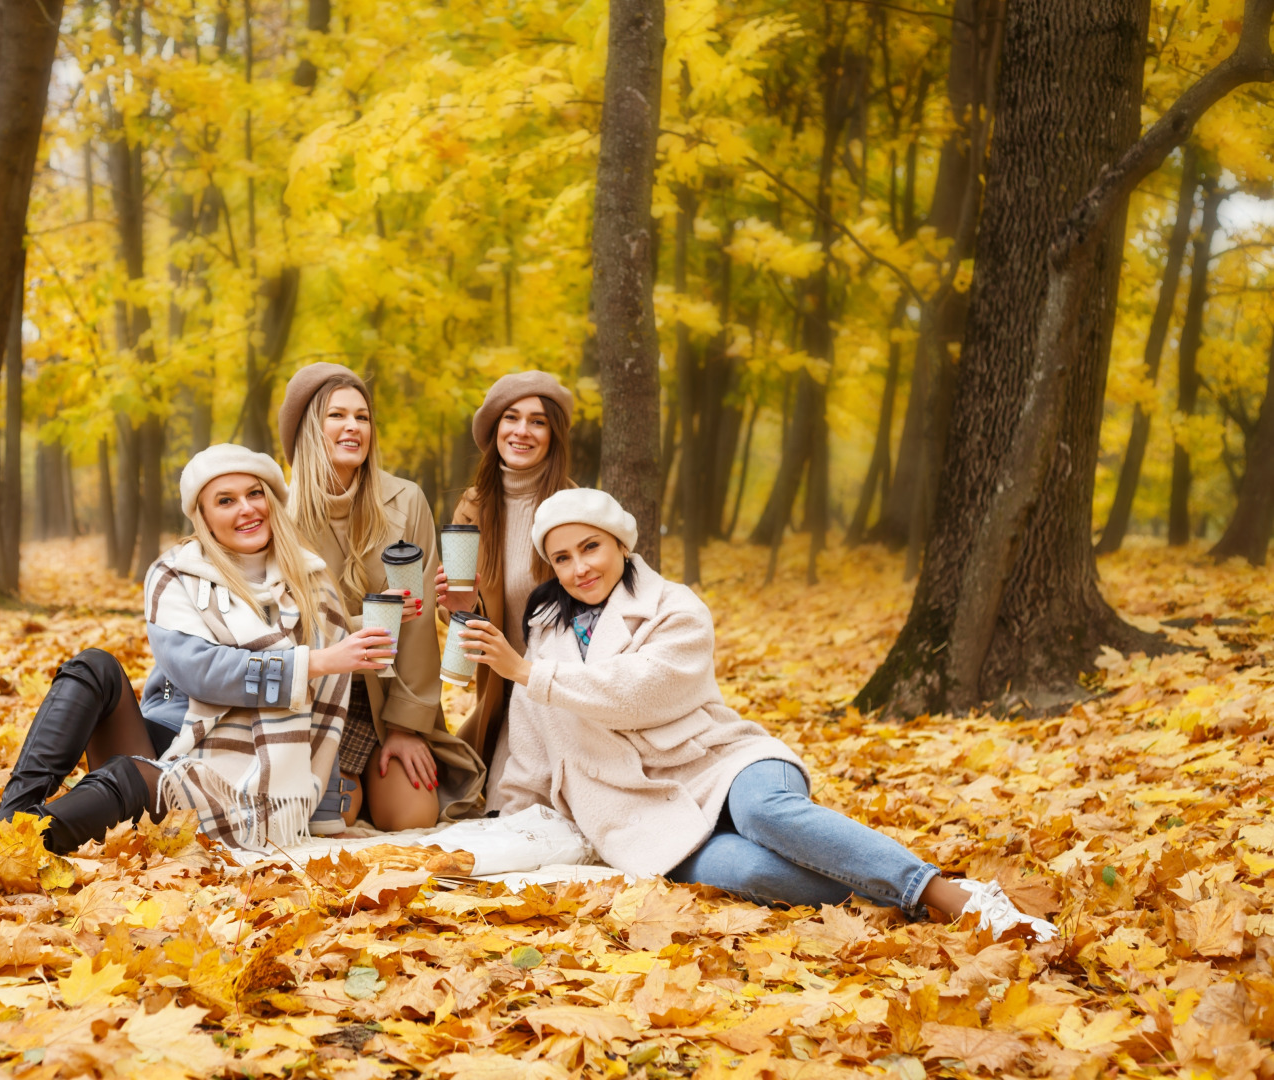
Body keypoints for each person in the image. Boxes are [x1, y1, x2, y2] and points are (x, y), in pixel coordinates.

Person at [460, 488, 1058, 939]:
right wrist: (519, 812)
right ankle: (905, 893)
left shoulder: (676, 608)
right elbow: (537, 736)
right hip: (637, 809)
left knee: (765, 813)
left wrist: (529, 674)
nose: (579, 568)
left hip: (721, 761)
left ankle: (950, 897)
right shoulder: (545, 630)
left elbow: (639, 692)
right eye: (562, 558)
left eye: (590, 546)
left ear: (621, 543)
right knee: (748, 871)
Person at [0, 444, 395, 857]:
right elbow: (199, 671)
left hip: (248, 771)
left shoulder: (313, 587)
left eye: (255, 494)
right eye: (226, 500)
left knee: (127, 778)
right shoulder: (177, 575)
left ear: (272, 502)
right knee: (95, 666)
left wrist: (323, 812)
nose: (246, 509)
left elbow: (328, 709)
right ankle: (6, 825)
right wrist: (313, 661)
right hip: (173, 734)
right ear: (204, 516)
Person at [277, 363, 485, 831]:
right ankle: (348, 780)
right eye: (337, 416)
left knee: (412, 816)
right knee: (335, 816)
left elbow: (418, 624)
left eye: (363, 417)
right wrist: (369, 619)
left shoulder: (407, 500)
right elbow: (288, 624)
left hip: (389, 697)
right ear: (310, 429)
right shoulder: (279, 516)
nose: (353, 427)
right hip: (321, 698)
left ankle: (377, 764)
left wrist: (406, 727)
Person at [435, 371, 575, 811]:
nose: (522, 431)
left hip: (560, 691)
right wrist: (455, 608)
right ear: (495, 428)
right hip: (502, 692)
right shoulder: (474, 506)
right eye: (511, 418)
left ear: (553, 435)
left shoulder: (573, 507)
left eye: (538, 421)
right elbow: (464, 616)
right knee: (494, 808)